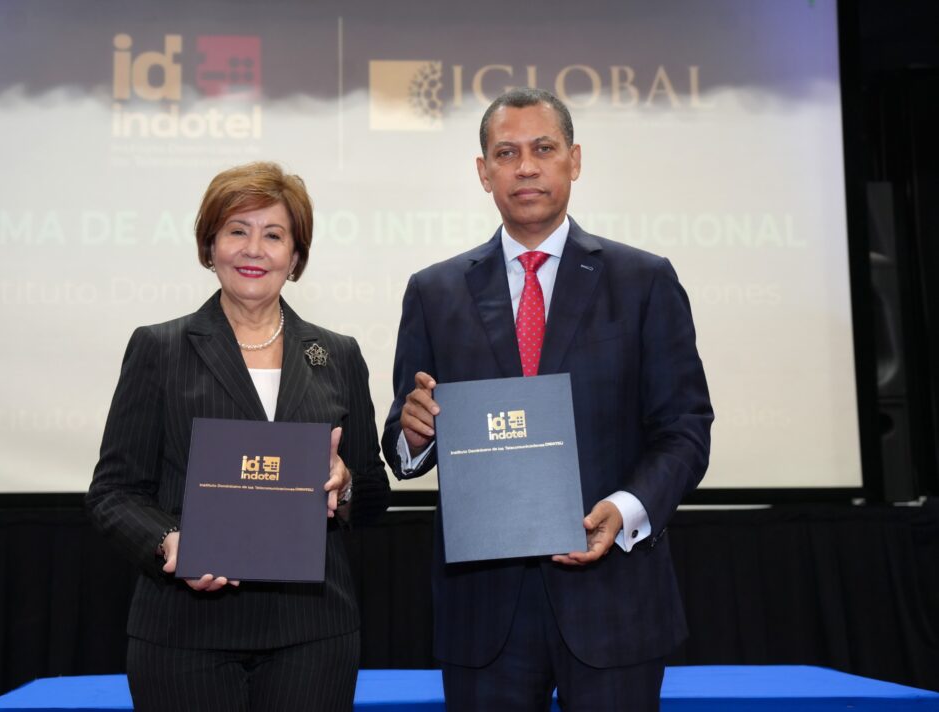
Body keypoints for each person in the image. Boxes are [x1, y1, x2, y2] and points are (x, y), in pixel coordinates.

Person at [382, 88, 714, 711]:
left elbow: (685, 428)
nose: (526, 167)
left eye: (543, 149)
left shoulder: (643, 281)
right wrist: (413, 432)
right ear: (484, 172)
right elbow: (404, 434)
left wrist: (624, 509)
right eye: (506, 153)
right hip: (483, 606)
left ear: (574, 160)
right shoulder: (434, 291)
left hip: (613, 595)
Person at [87, 161, 389, 712]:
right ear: (210, 246)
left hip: (313, 631)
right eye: (237, 231)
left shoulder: (337, 354)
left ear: (295, 256)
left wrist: (344, 484)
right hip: (185, 629)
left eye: (273, 235)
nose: (254, 250)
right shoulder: (160, 349)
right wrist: (168, 540)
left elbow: (372, 496)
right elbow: (114, 493)